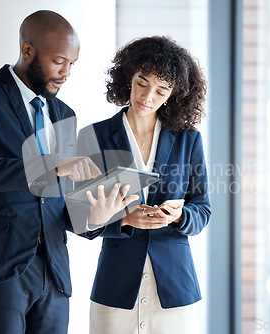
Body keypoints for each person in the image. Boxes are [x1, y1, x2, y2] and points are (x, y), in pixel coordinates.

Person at [0, 10, 136, 334]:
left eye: (72, 64)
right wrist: (52, 166)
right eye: (58, 61)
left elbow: (56, 201)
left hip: (54, 273)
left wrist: (95, 216)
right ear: (27, 51)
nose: (66, 73)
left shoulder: (64, 113)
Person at [77, 36, 211, 334]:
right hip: (116, 287)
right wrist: (124, 219)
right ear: (129, 76)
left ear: (174, 95)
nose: (148, 96)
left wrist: (178, 215)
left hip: (175, 290)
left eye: (161, 90)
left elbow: (202, 209)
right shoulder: (94, 136)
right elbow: (78, 216)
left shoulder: (188, 140)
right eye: (142, 82)